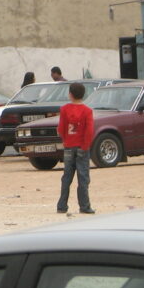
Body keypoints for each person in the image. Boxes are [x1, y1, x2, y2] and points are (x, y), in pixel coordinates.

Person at [56, 82, 94, 215]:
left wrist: (66, 141)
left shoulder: (64, 109)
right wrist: (85, 145)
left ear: (70, 94)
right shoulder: (87, 111)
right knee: (83, 177)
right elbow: (89, 131)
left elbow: (61, 129)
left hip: (68, 146)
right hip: (82, 147)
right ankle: (84, 206)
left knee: (67, 177)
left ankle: (62, 205)